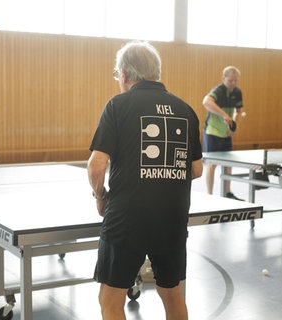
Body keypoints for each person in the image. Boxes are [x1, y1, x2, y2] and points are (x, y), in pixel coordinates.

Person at [87, 41, 203, 320]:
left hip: (127, 218)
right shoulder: (186, 110)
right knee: (172, 293)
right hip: (172, 217)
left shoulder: (118, 105)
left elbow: (96, 165)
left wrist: (100, 195)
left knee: (111, 299)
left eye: (117, 75)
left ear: (125, 74)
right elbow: (197, 169)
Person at [202, 66, 243, 200]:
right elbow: (206, 102)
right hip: (212, 132)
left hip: (226, 134)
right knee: (212, 164)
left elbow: (239, 111)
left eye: (235, 80)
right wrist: (224, 115)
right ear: (223, 78)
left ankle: (227, 192)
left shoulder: (237, 92)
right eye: (230, 80)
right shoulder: (218, 91)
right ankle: (209, 195)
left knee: (228, 163)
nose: (233, 83)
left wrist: (233, 127)